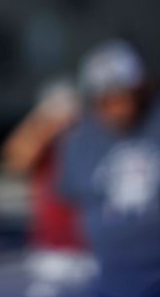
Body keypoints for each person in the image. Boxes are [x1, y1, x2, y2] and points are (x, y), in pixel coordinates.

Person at [59, 39, 160, 297]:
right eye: (104, 99)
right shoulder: (81, 138)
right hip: (111, 280)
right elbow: (78, 198)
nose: (115, 107)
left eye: (122, 96)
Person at [2, 80, 96, 297]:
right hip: (51, 252)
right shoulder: (43, 143)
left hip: (91, 249)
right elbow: (15, 160)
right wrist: (42, 123)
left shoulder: (92, 138)